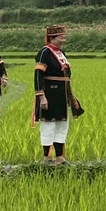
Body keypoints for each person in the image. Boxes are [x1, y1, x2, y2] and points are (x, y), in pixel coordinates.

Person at [34, 25, 80, 165]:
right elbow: (38, 75)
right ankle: (47, 158)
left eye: (64, 37)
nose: (63, 40)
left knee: (62, 124)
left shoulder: (61, 53)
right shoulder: (45, 52)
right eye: (61, 37)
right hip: (50, 92)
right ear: (52, 38)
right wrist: (41, 96)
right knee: (49, 125)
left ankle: (60, 157)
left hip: (62, 93)